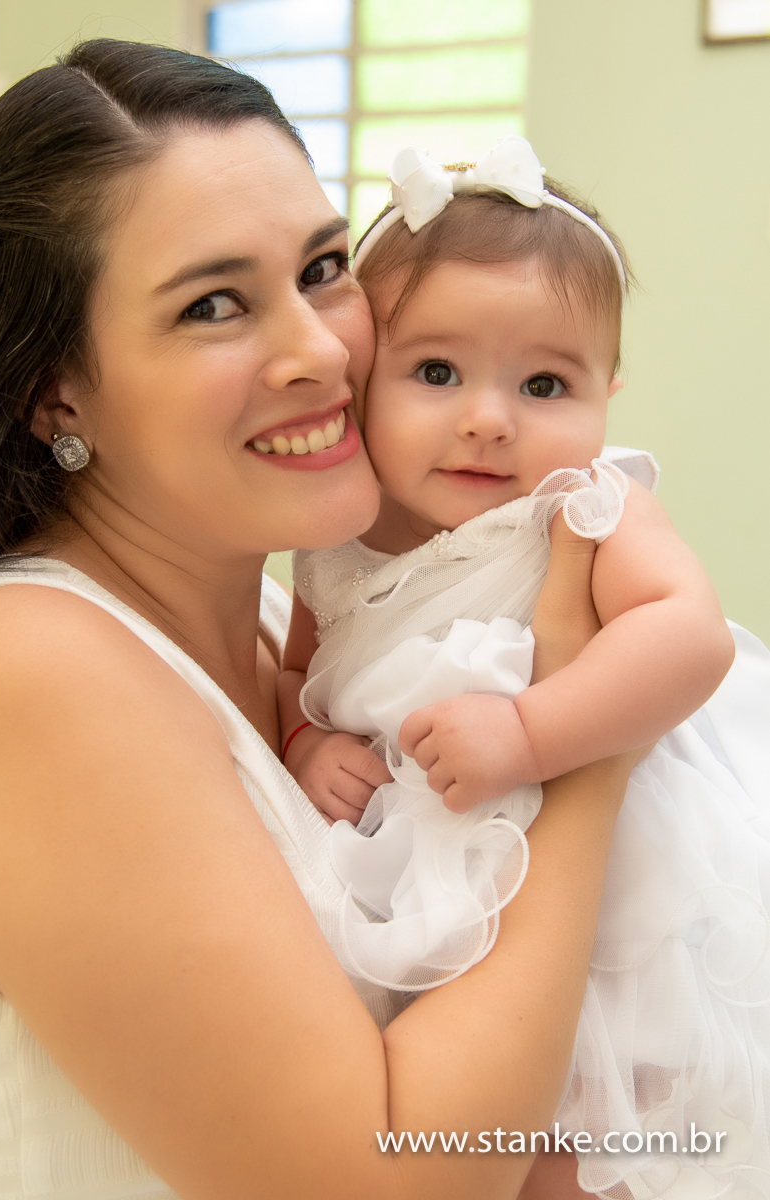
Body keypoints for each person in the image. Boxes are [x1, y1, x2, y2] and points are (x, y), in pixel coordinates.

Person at [0, 39, 642, 1200]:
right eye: (213, 305)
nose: (316, 349)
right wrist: (587, 738)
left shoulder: (278, 627)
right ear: (58, 386)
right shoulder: (23, 674)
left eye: (319, 269)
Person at [279, 141, 770, 1198]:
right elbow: (295, 677)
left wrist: (531, 733)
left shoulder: (581, 508)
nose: (488, 418)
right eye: (436, 372)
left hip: (616, 906)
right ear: (362, 381)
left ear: (608, 394)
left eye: (543, 382)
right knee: (474, 1131)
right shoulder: (331, 541)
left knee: (611, 1141)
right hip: (445, 900)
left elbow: (685, 635)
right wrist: (308, 743)